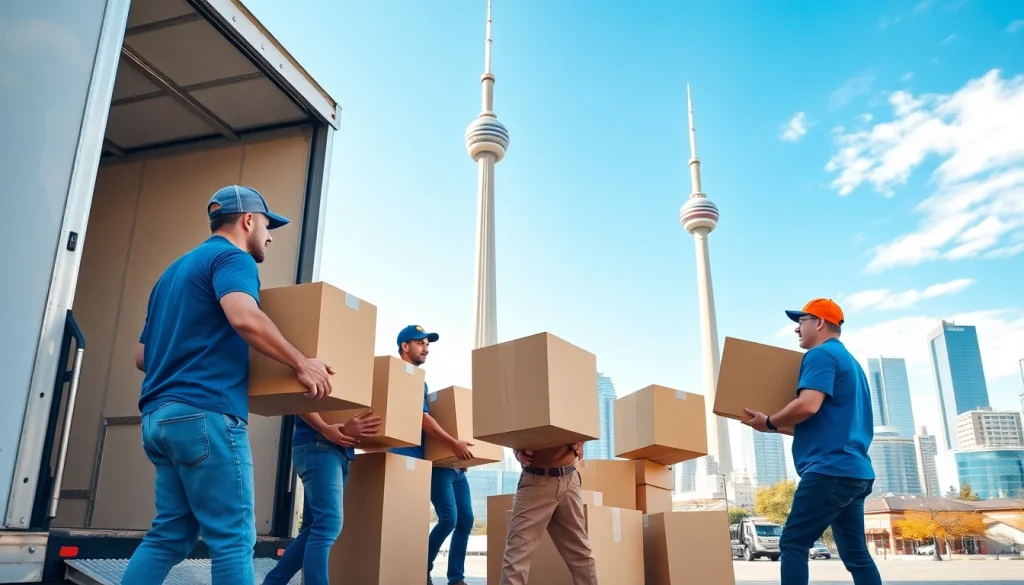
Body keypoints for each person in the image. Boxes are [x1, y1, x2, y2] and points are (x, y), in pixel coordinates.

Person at [122, 186, 334, 585]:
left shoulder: (171, 274)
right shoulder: (232, 258)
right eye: (268, 226)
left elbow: (141, 356)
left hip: (158, 418)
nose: (269, 236)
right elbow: (244, 317)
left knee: (170, 535)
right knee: (234, 539)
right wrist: (301, 363)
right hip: (206, 415)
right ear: (248, 220)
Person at [741, 298, 881, 585]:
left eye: (800, 321)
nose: (796, 329)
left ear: (818, 322)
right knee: (855, 554)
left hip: (829, 470)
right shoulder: (852, 364)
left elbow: (808, 405)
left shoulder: (820, 356)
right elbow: (828, 419)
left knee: (792, 542)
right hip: (855, 472)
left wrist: (769, 422)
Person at [388, 325, 476, 585]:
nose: (426, 348)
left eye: (428, 344)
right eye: (420, 343)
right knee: (448, 518)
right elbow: (421, 418)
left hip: (448, 465)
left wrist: (459, 454)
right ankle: (421, 568)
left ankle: (456, 578)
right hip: (416, 460)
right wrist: (453, 445)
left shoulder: (421, 382)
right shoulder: (398, 376)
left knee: (466, 519)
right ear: (405, 346)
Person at [262, 409, 381, 585]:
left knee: (314, 527)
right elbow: (299, 399)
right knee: (328, 524)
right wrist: (325, 428)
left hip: (338, 451)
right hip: (318, 446)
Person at [500, 444, 598, 585]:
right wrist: (517, 452)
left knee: (581, 554)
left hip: (569, 479)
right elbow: (513, 427)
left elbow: (586, 425)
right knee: (517, 554)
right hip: (535, 481)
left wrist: (580, 441)